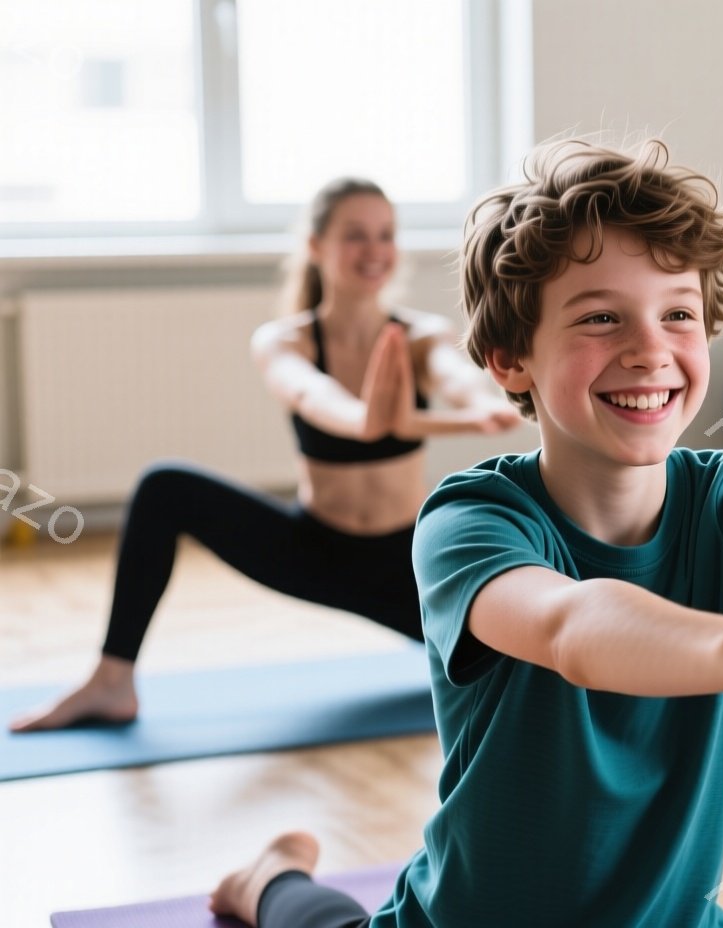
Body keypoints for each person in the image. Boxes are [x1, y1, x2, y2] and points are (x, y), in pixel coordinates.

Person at [201, 138, 723, 928]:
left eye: (678, 315)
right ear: (510, 357)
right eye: (602, 317)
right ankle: (271, 877)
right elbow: (572, 628)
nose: (650, 350)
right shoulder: (471, 521)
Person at [9, 177, 520, 733]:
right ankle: (112, 680)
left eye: (385, 235)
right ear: (316, 246)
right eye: (355, 236)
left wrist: (479, 407)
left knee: (514, 670)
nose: (374, 251)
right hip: (313, 552)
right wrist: (373, 421)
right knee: (165, 487)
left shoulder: (421, 337)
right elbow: (320, 400)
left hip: (408, 568)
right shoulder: (285, 340)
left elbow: (464, 383)